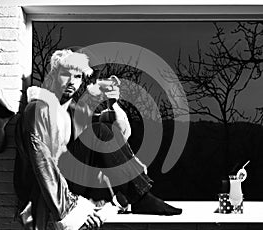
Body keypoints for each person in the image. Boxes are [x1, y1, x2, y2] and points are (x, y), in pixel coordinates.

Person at [13, 49, 182, 230]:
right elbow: (43, 165)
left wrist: (112, 104)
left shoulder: (76, 112)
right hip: (47, 190)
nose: (71, 82)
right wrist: (71, 211)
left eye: (77, 76)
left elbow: (117, 139)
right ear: (53, 75)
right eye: (65, 74)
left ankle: (138, 196)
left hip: (72, 181)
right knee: (99, 130)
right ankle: (139, 197)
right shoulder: (38, 109)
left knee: (101, 131)